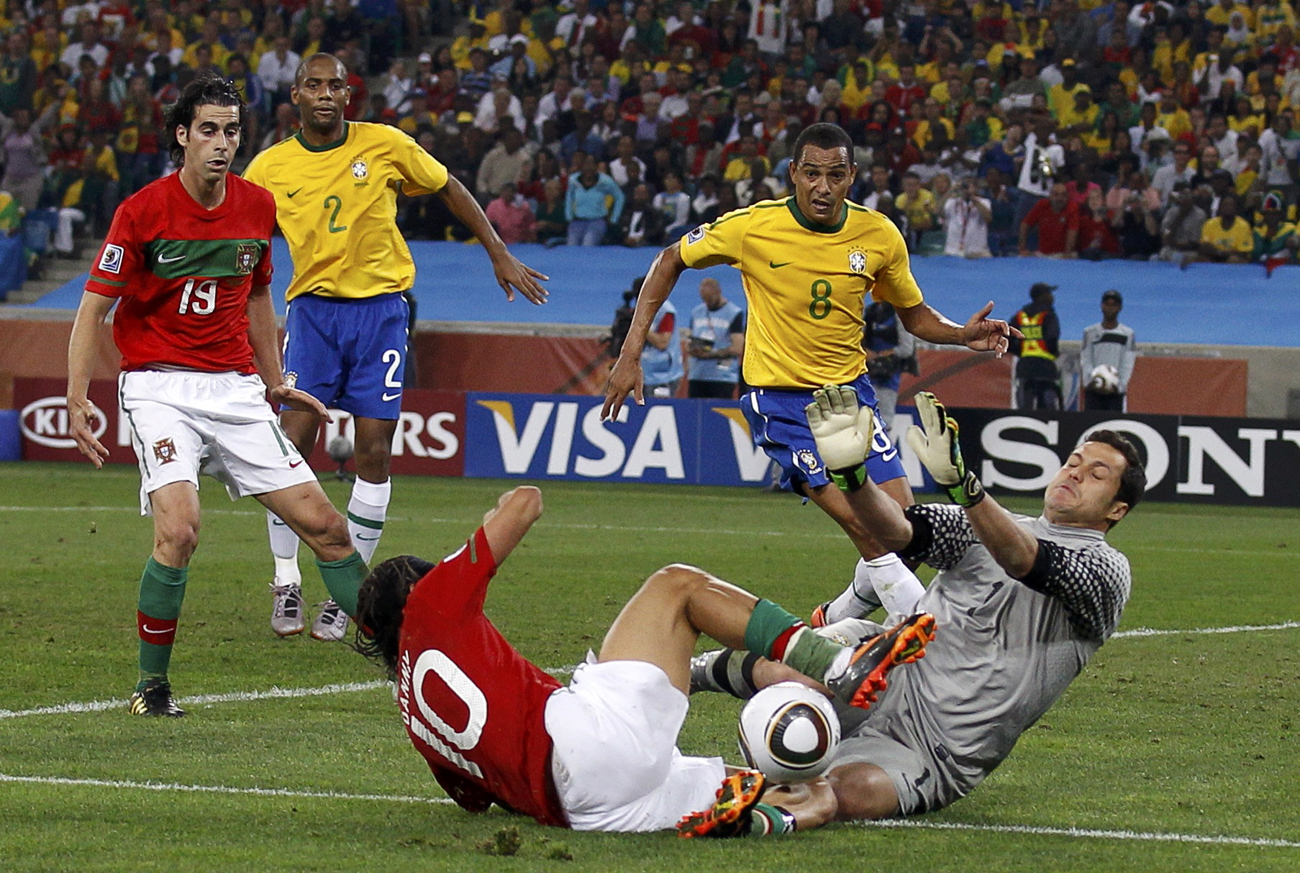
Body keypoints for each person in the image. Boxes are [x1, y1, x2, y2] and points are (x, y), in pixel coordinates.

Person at [603, 122, 1017, 632]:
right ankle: (936, 634)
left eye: (836, 175)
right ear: (794, 173)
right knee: (863, 522)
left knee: (903, 533)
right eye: (813, 174)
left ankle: (834, 621)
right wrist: (631, 351)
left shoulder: (879, 234)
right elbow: (670, 259)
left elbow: (913, 314)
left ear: (852, 177)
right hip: (782, 402)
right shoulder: (753, 226)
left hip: (852, 397)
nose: (823, 187)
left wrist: (960, 334)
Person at [683, 387, 1145, 836]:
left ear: (1117, 509)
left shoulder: (1107, 571)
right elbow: (900, 531)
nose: (1075, 474)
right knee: (791, 672)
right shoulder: (983, 523)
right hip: (882, 671)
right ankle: (687, 674)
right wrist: (852, 477)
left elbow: (1025, 560)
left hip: (937, 748)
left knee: (853, 792)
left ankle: (720, 797)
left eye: (1097, 474)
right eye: (1073, 462)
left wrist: (967, 490)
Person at [351, 484, 937, 833]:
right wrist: (485, 524)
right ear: (420, 590)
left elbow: (475, 797)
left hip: (583, 809)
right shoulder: (432, 603)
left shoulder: (410, 712)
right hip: (585, 738)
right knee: (676, 587)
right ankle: (832, 662)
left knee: (780, 788)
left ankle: (778, 818)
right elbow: (524, 504)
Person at [65, 75, 370, 718]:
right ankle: (152, 687)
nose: (222, 143)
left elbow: (258, 294)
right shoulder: (142, 211)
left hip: (234, 389)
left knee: (328, 528)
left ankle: (402, 657)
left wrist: (273, 376)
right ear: (182, 136)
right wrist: (76, 396)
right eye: (208, 129)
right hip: (159, 386)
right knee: (180, 530)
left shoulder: (257, 207)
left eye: (232, 131)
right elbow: (92, 310)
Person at [242, 53, 549, 643]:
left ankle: (348, 594)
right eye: (314, 85)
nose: (326, 94)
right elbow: (237, 230)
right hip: (312, 313)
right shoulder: (269, 167)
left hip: (382, 311)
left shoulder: (383, 143)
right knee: (290, 446)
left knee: (374, 450)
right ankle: (286, 580)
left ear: (348, 95)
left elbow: (449, 186)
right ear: (296, 97)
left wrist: (497, 250)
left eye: (336, 85)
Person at [862, 302, 917, 438]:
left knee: (884, 418)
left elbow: (907, 349)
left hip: (888, 375)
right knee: (862, 415)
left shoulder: (898, 316)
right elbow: (858, 339)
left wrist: (883, 354)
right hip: (866, 373)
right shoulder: (870, 312)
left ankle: (884, 452)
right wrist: (866, 352)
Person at [685, 277, 745, 399]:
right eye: (704, 299)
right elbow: (689, 339)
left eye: (710, 299)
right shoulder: (696, 312)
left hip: (721, 377)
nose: (707, 302)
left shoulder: (734, 313)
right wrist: (692, 349)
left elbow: (737, 348)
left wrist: (710, 354)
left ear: (718, 292)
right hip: (697, 375)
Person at [1079, 290, 1137, 412]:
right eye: (1107, 304)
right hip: (1093, 391)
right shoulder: (1090, 332)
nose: (1110, 309)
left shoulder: (1127, 334)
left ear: (1120, 308)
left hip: (1115, 393)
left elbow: (1128, 362)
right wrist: (1091, 382)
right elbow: (1086, 358)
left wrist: (1119, 385)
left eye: (1114, 305)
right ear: (1101, 306)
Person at [1009, 282, 1062, 410]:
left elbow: (1007, 339)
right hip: (1045, 368)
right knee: (1047, 410)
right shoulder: (1048, 315)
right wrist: (1054, 353)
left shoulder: (1019, 316)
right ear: (1041, 296)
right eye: (1049, 293)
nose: (1052, 297)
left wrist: (1020, 352)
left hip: (1025, 367)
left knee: (1025, 409)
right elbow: (1052, 337)